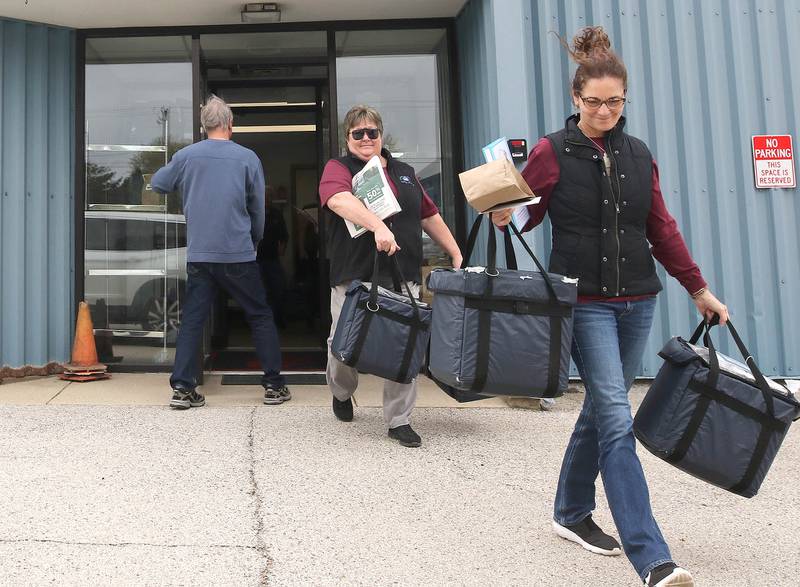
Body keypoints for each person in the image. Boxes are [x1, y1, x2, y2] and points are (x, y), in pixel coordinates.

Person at [492, 27, 728, 587]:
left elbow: (660, 227)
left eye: (614, 101)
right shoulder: (552, 150)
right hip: (587, 302)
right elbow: (527, 211)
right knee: (619, 420)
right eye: (594, 101)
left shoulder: (638, 153)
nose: (604, 110)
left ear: (625, 99)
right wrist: (506, 215)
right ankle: (653, 558)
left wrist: (698, 289)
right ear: (576, 98)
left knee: (602, 410)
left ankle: (571, 513)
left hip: (638, 300)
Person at [319, 105, 462, 447]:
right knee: (343, 347)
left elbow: (428, 214)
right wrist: (378, 225)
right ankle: (342, 392)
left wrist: (455, 252)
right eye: (358, 133)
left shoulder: (404, 171)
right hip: (355, 276)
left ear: (381, 135)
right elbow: (338, 200)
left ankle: (399, 420)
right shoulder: (339, 168)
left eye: (372, 132)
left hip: (402, 274)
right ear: (348, 137)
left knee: (405, 346)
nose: (366, 138)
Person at [151, 95, 290, 408]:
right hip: (238, 253)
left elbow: (159, 183)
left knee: (193, 321)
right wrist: (254, 240)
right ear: (230, 125)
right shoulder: (247, 158)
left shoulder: (187, 156)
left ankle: (184, 389)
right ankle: (273, 385)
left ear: (204, 126)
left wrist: (186, 181)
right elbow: (258, 208)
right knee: (259, 315)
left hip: (200, 254)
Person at [257, 186, 289, 329]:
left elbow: (284, 235)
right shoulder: (254, 213)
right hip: (256, 260)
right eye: (264, 195)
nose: (267, 198)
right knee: (260, 292)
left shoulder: (276, 214)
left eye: (269, 195)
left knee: (278, 290)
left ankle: (278, 321)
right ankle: (262, 323)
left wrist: (282, 248)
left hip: (272, 259)